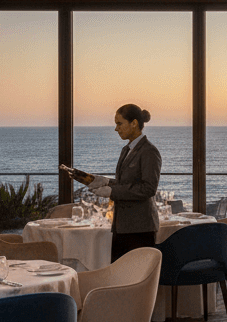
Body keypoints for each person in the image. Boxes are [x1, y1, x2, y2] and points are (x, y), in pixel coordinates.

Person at [64, 104, 162, 262]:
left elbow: (148, 188)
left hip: (140, 228)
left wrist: (111, 191)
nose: (116, 129)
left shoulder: (149, 151)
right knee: (119, 276)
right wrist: (105, 181)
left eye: (119, 123)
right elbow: (127, 182)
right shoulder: (127, 149)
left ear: (134, 123)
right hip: (122, 226)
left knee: (135, 278)